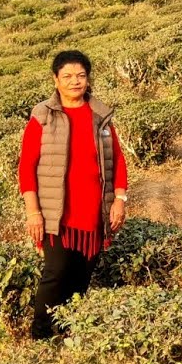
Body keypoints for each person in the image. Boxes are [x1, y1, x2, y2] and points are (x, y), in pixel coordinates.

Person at [18, 49, 128, 340]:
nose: (74, 81)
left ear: (88, 79)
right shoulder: (43, 116)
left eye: (80, 75)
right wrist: (33, 212)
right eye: (67, 76)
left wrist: (119, 199)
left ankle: (68, 329)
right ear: (55, 80)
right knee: (56, 273)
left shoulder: (100, 116)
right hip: (57, 212)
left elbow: (118, 160)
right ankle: (40, 335)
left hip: (93, 210)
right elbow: (26, 167)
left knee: (82, 275)